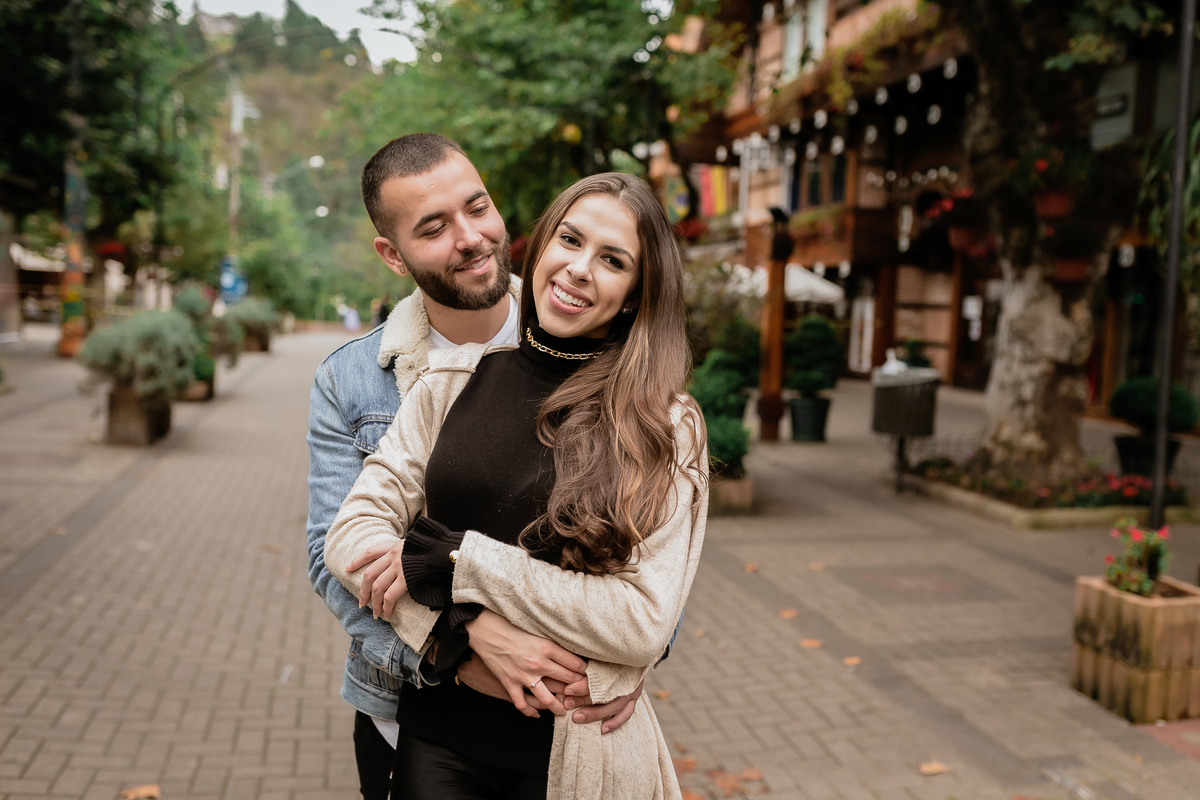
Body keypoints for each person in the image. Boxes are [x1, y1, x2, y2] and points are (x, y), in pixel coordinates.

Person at [325, 172, 709, 800]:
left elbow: (642, 619)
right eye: (570, 240)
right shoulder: (449, 383)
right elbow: (350, 539)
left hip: (581, 751)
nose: (580, 268)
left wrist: (455, 561)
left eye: (612, 260)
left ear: (639, 293)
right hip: (440, 743)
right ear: (541, 247)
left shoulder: (664, 424)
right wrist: (456, 625)